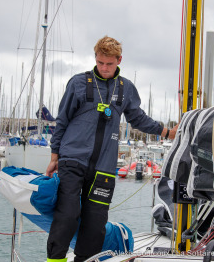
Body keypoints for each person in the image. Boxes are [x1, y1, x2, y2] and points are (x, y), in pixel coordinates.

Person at [45, 36, 178, 262]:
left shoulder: (126, 88)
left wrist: (166, 132)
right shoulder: (78, 83)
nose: (104, 68)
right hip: (73, 160)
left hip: (104, 167)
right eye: (100, 63)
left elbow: (138, 119)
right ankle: (54, 259)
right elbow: (62, 120)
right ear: (95, 59)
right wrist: (54, 156)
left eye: (109, 63)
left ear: (119, 60)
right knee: (67, 215)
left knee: (95, 222)